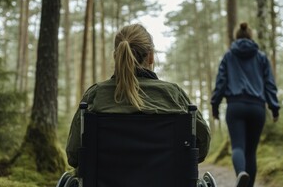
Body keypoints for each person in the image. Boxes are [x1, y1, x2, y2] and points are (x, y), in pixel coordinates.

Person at [66, 23, 211, 169]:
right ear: (151, 57)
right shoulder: (174, 95)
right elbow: (202, 145)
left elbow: (73, 155)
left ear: (115, 56)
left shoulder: (95, 95)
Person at [211, 22, 280, 187]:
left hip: (235, 106)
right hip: (257, 108)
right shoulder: (261, 57)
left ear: (236, 36)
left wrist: (215, 105)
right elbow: (269, 84)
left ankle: (241, 173)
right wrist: (274, 108)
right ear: (251, 35)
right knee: (251, 151)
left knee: (238, 148)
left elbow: (221, 82)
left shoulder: (228, 56)